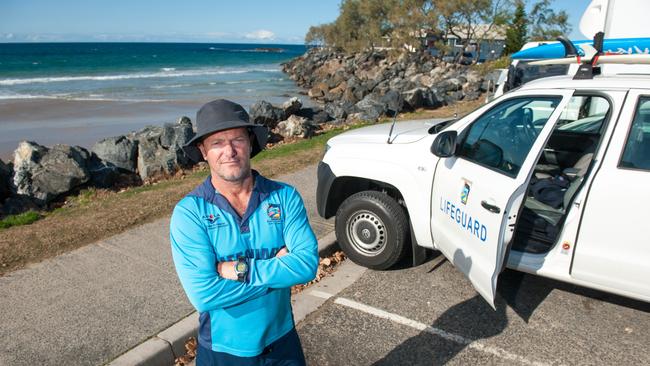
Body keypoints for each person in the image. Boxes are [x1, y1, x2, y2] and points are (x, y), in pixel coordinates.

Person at [170, 99, 318, 366]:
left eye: (237, 139)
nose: (229, 150)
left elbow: (306, 266)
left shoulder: (284, 197)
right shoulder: (190, 213)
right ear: (203, 151)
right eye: (217, 143)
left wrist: (241, 271)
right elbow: (205, 295)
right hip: (222, 351)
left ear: (250, 142)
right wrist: (278, 269)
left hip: (282, 345)